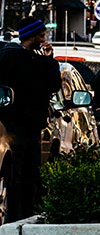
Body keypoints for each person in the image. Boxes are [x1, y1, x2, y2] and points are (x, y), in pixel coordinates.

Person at [0, 18, 62, 220]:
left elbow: (52, 85)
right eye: (42, 36)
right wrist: (48, 61)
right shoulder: (13, 57)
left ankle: (25, 213)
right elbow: (47, 84)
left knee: (29, 173)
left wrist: (49, 59)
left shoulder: (32, 58)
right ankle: (17, 214)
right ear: (33, 36)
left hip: (30, 124)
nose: (44, 40)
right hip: (16, 124)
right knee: (18, 173)